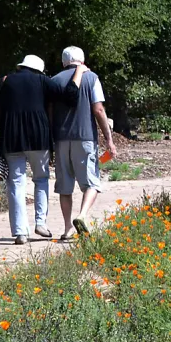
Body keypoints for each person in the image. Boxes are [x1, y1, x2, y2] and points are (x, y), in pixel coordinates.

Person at [0, 54, 83, 245]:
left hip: (12, 139)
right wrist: (79, 70)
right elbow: (70, 96)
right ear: (39, 69)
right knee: (41, 179)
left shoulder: (5, 81)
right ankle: (41, 223)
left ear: (21, 67)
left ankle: (21, 232)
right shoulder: (43, 81)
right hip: (39, 138)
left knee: (15, 184)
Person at [51, 46, 118, 239]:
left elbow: (50, 112)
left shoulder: (54, 81)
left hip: (61, 138)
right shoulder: (91, 78)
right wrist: (109, 139)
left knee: (65, 187)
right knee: (92, 182)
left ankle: (66, 229)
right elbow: (98, 109)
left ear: (64, 61)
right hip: (85, 137)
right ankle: (82, 215)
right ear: (82, 60)